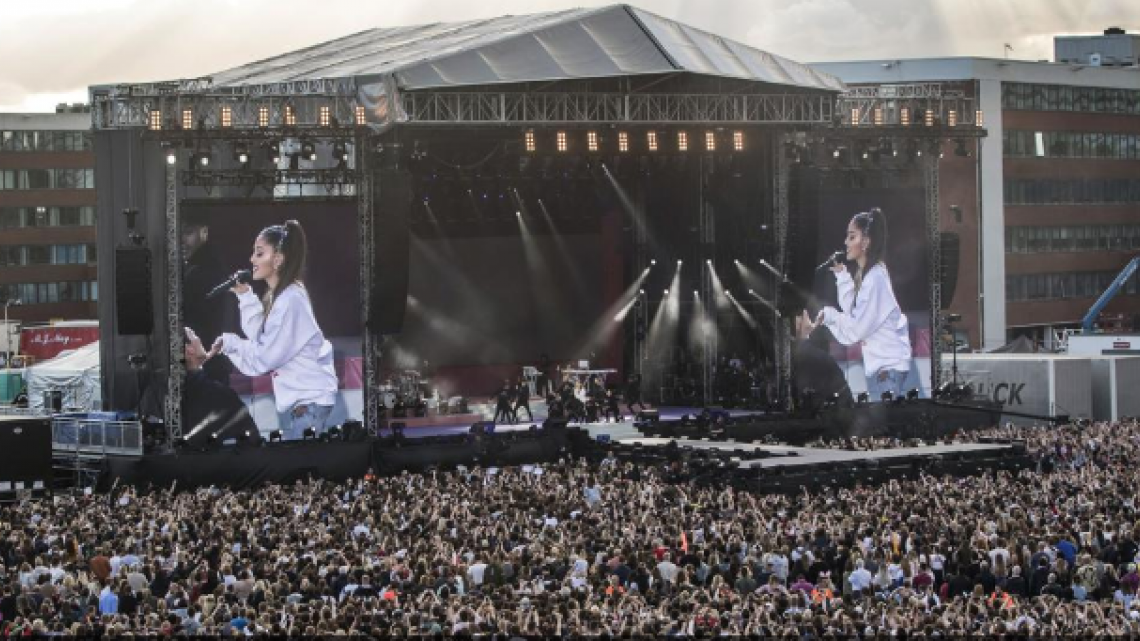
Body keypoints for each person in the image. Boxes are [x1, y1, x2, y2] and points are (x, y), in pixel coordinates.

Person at [200, 220, 338, 440]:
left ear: (278, 259)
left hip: (308, 403)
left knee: (301, 461)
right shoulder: (282, 296)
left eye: (259, 253)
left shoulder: (291, 300)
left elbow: (265, 357)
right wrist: (245, 295)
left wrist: (231, 344)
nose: (251, 259)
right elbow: (262, 335)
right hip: (303, 401)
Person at [808, 208, 911, 400]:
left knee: (883, 418)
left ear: (866, 242)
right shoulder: (870, 275)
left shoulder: (875, 278)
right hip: (883, 369)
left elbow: (856, 329)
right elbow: (854, 311)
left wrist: (830, 316)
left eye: (852, 237)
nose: (846, 243)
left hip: (886, 371)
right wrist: (842, 276)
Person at [180, 210, 238, 385]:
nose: (182, 240)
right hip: (212, 363)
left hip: (206, 364)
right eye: (180, 233)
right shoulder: (207, 266)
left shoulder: (203, 271)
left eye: (188, 232)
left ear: (204, 232)